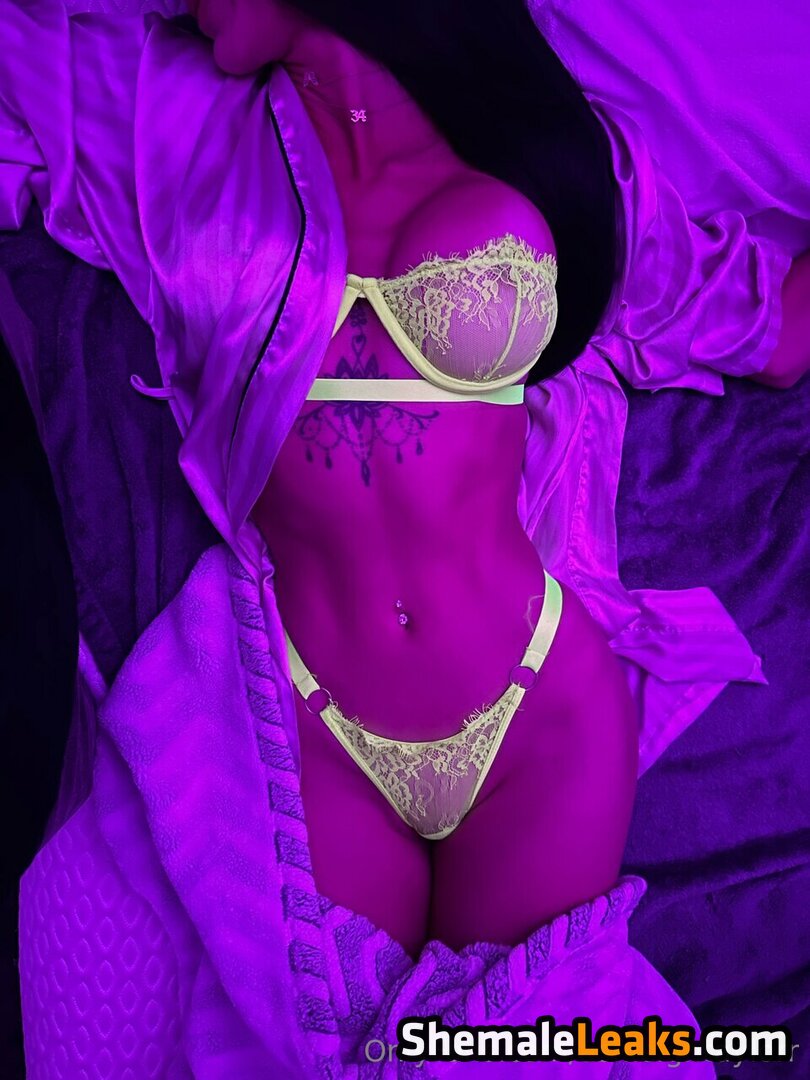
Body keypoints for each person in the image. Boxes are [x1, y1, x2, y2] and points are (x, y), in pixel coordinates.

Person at [1, 0, 806, 1075]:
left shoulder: (556, 154)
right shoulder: (170, 116)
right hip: (314, 713)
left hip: (538, 712)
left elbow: (772, 328)